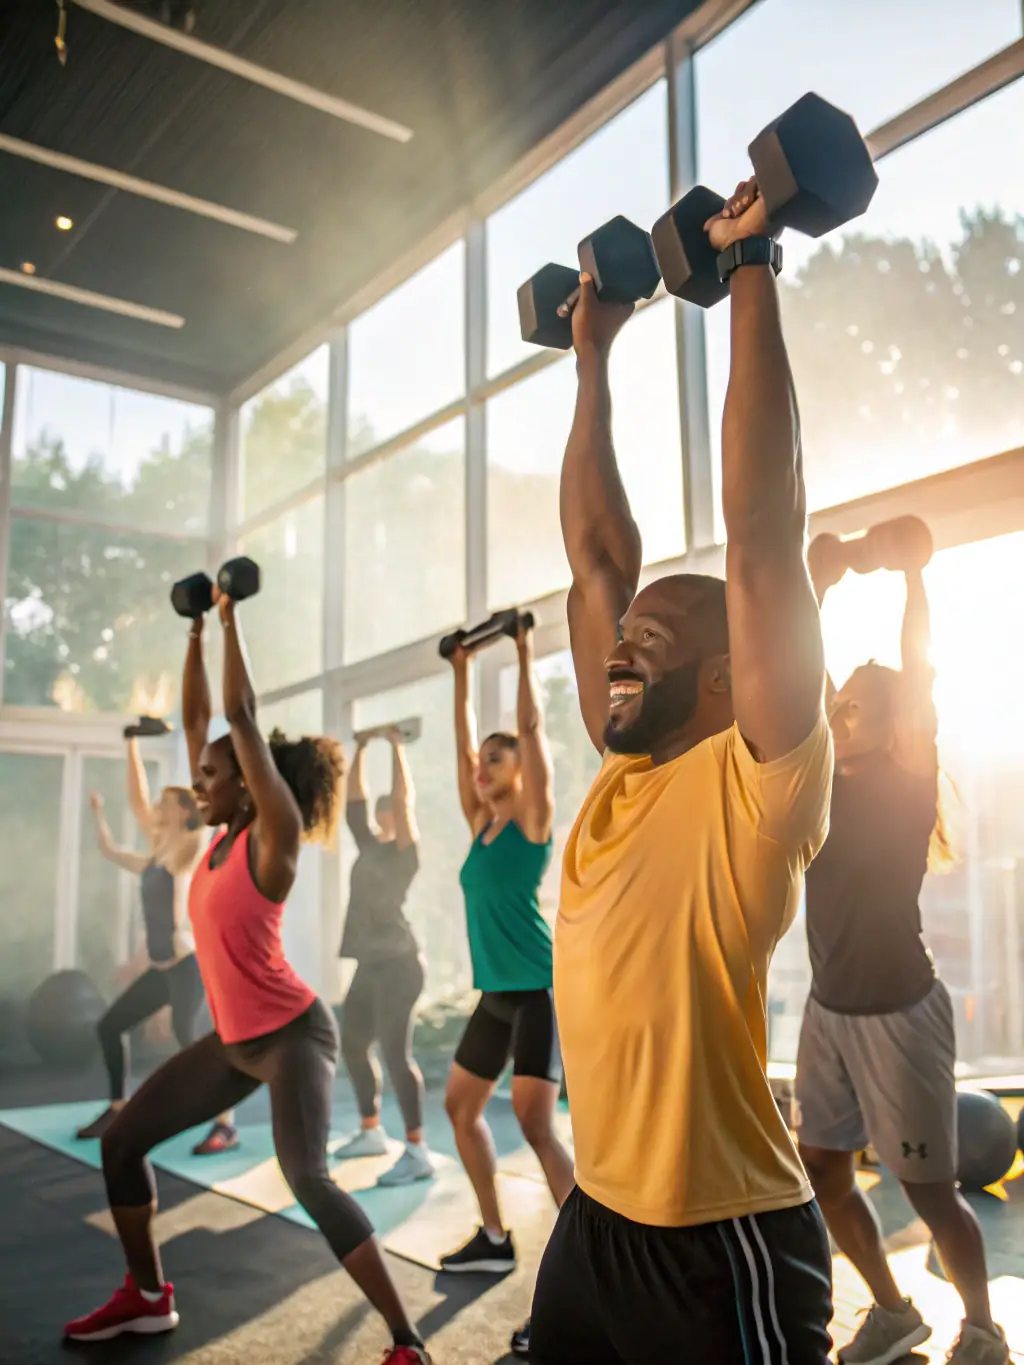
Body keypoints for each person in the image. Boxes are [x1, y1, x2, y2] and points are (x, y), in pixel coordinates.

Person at [529, 179, 835, 1364]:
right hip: (594, 1221)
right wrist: (591, 358)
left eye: (649, 640)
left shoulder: (755, 787)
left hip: (723, 1244)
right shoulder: (618, 779)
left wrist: (750, 266)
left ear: (724, 675)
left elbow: (764, 537)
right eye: (619, 639)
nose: (615, 650)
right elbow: (596, 554)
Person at [63, 586, 429, 1365]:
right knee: (123, 1143)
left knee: (309, 1178)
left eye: (213, 773)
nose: (200, 780)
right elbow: (205, 723)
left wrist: (230, 619)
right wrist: (192, 632)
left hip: (292, 1035)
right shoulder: (215, 838)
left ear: (252, 780)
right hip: (233, 1042)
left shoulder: (275, 837)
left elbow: (236, 720)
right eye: (198, 773)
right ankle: (148, 1296)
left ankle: (407, 1341)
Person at [798, 524, 1008, 1365]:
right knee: (823, 1170)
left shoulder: (906, 777)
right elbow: (801, 681)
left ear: (891, 725)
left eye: (859, 705)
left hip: (898, 1011)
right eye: (840, 701)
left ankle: (984, 1328)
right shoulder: (818, 774)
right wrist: (816, 592)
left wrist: (914, 577)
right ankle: (893, 1309)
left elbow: (917, 675)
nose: (842, 711)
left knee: (928, 1189)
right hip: (829, 1008)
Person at [439, 619, 574, 1318]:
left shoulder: (531, 820)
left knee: (534, 1123)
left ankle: (592, 1259)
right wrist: (461, 668)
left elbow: (532, 726)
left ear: (521, 770)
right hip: (495, 994)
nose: (484, 765)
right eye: (482, 760)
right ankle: (494, 1234)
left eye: (499, 758)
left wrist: (522, 653)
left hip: (537, 992)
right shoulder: (481, 824)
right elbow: (461, 743)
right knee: (460, 1107)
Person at [75, 741, 237, 1157]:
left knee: (190, 1040)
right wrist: (129, 744)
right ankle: (117, 1108)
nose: (155, 807)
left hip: (185, 965)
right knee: (110, 1026)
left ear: (182, 811)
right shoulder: (154, 855)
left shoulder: (188, 847)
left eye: (165, 802)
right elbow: (118, 836)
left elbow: (156, 806)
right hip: (163, 968)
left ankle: (225, 1124)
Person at [333, 725, 433, 1186]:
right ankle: (372, 1130)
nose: (380, 811)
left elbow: (405, 799)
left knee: (395, 1053)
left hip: (400, 964)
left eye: (388, 809)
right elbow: (353, 803)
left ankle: (417, 1149)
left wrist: (394, 747)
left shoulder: (404, 854)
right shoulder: (370, 846)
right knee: (353, 1043)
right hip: (371, 964)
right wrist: (359, 748)